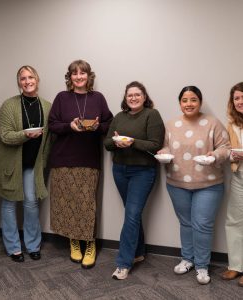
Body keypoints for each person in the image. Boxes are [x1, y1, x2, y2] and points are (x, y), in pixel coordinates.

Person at [158, 86, 230, 285]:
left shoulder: (212, 123)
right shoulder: (171, 124)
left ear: (200, 101)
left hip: (209, 184)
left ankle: (202, 266)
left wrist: (215, 155)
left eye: (193, 100)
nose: (188, 104)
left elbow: (226, 147)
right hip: (177, 182)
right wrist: (163, 153)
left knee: (202, 225)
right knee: (186, 223)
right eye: (184, 100)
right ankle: (187, 259)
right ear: (180, 103)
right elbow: (165, 145)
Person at [48, 59, 113, 269]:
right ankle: (74, 242)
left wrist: (96, 127)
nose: (79, 77)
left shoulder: (98, 98)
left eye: (82, 73)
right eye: (74, 73)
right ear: (70, 77)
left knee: (86, 204)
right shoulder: (61, 98)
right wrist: (69, 126)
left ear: (88, 76)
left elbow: (108, 123)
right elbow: (52, 125)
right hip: (63, 158)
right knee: (66, 202)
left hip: (88, 158)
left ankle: (90, 244)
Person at [104, 81, 165, 280]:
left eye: (137, 94)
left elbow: (155, 145)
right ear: (125, 97)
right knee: (133, 214)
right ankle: (138, 253)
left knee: (131, 215)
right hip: (120, 170)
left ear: (144, 97)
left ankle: (123, 263)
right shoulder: (119, 117)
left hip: (143, 171)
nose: (133, 98)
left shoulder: (152, 115)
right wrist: (115, 142)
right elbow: (106, 143)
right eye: (130, 95)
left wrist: (131, 141)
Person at [0, 65, 51, 263]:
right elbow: (6, 136)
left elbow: (49, 139)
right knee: (9, 204)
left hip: (32, 164)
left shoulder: (47, 106)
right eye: (22, 78)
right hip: (10, 164)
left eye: (30, 77)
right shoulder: (8, 105)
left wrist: (43, 162)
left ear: (37, 79)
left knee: (31, 203)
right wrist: (25, 134)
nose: (27, 81)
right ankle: (13, 247)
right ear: (19, 82)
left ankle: (33, 245)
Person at [221, 82, 243, 287]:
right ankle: (236, 265)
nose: (240, 101)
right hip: (239, 174)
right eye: (236, 98)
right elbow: (229, 148)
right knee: (234, 220)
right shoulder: (232, 124)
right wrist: (230, 154)